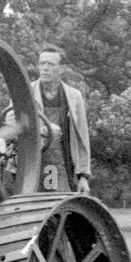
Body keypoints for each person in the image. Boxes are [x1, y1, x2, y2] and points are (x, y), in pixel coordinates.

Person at [32, 45, 91, 194]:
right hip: (30, 163)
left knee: (59, 206)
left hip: (61, 162)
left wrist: (83, 176)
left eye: (50, 64)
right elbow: (11, 122)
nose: (45, 68)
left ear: (62, 69)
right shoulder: (26, 91)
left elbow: (82, 137)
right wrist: (39, 131)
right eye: (42, 63)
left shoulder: (73, 96)